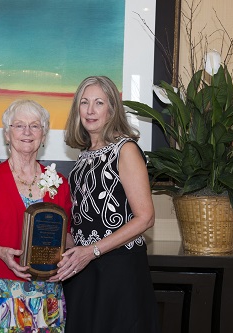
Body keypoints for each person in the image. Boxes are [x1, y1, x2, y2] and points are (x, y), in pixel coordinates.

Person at [0, 99, 73, 332]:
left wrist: (66, 258)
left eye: (35, 126)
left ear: (44, 135)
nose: (27, 132)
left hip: (44, 296)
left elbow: (66, 236)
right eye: (18, 125)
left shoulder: (60, 184)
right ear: (7, 135)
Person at [56, 76, 160, 332]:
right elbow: (82, 222)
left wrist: (91, 251)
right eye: (84, 103)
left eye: (99, 103)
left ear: (112, 109)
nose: (90, 110)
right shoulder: (82, 158)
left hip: (119, 269)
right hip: (83, 270)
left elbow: (145, 218)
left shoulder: (126, 150)